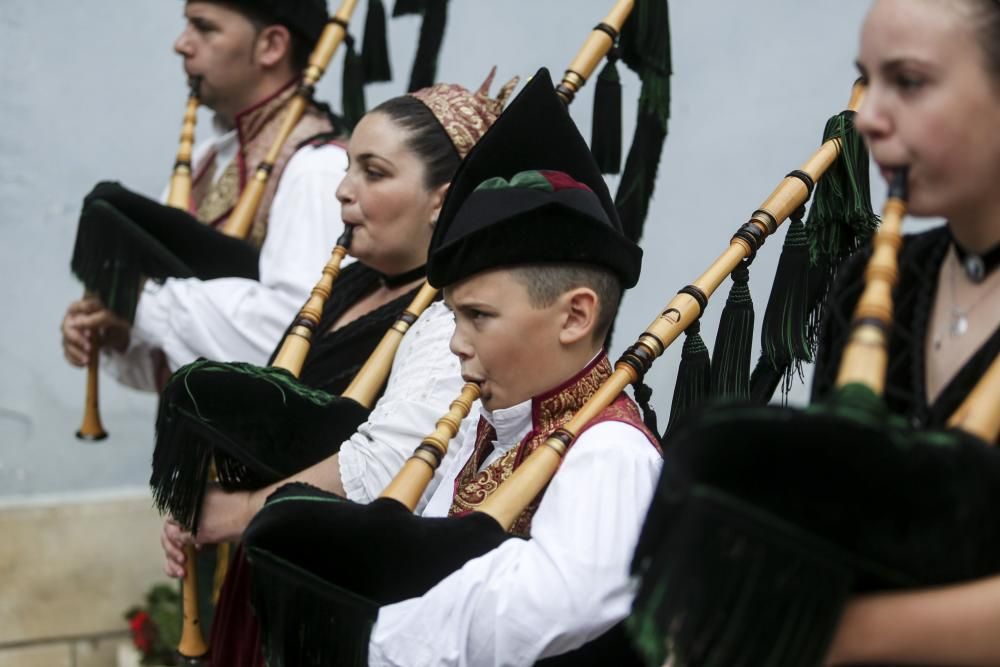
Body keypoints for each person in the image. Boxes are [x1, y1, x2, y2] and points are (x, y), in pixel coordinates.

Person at [239, 69, 664, 665]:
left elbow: (551, 605)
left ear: (574, 317)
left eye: (479, 317)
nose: (456, 344)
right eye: (454, 317)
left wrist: (361, 634)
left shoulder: (609, 450)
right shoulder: (485, 434)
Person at [158, 72, 517, 667]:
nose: (342, 191)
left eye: (373, 173)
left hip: (341, 604)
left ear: (443, 199)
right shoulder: (351, 284)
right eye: (348, 167)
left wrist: (242, 512)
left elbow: (391, 462)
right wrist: (204, 495)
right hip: (268, 575)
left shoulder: (453, 315)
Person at [814, 0, 1000, 662]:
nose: (868, 116)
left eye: (911, 82)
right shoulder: (875, 284)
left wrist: (844, 633)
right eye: (869, 78)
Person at [60, 0, 347, 390]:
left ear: (272, 46)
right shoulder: (204, 162)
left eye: (205, 28)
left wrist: (137, 301)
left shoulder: (317, 168)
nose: (181, 44)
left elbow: (295, 333)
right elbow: (179, 357)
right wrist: (122, 334)